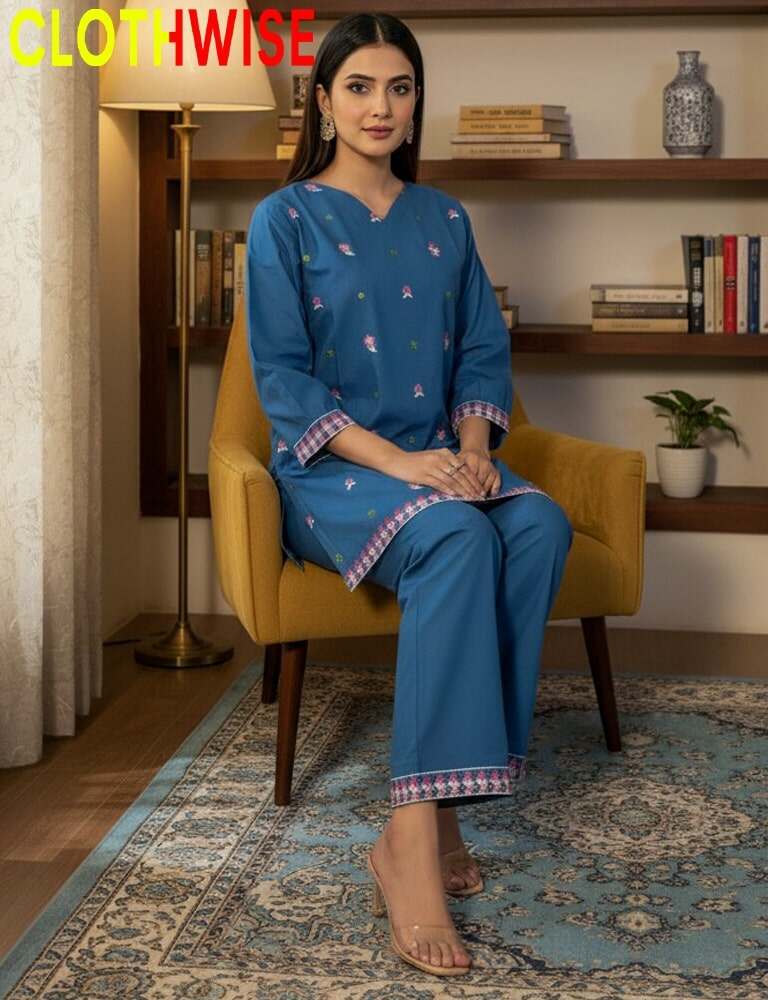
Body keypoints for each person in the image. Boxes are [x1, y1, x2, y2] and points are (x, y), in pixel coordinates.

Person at [245, 12, 573, 977]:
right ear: (323, 100)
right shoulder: (285, 219)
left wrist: (472, 450)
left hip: (439, 456)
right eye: (358, 87)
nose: (379, 107)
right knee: (458, 541)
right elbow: (285, 383)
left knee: (538, 525)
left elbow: (481, 350)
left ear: (416, 101)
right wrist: (406, 467)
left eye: (398, 87)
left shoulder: (447, 220)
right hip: (336, 472)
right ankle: (414, 840)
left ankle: (441, 813)